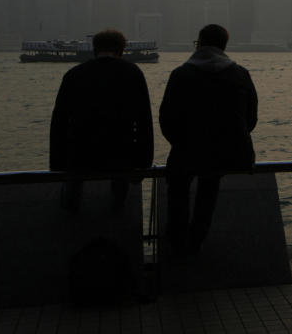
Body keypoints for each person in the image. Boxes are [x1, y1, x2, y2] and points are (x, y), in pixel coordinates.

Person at [160, 24, 258, 254]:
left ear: (200, 43)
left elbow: (166, 118)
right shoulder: (240, 74)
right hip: (224, 153)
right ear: (224, 45)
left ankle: (177, 245)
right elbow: (250, 118)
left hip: (186, 150)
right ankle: (196, 243)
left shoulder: (181, 74)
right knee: (208, 197)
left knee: (178, 195)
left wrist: (180, 142)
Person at [50, 29, 154, 212]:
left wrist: (57, 164)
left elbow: (59, 122)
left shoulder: (75, 74)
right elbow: (144, 121)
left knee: (73, 205)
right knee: (118, 209)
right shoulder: (132, 73)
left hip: (79, 154)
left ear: (94, 49)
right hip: (120, 153)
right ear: (122, 50)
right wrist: (143, 162)